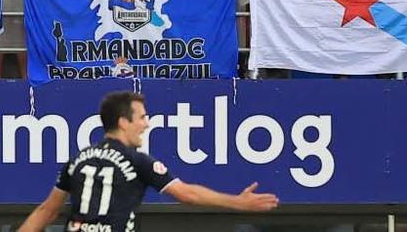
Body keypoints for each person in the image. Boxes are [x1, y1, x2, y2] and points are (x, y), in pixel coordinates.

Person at [16, 90, 279, 231]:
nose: (147, 123)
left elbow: (46, 212)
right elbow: (186, 194)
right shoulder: (137, 161)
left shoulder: (78, 160)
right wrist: (238, 202)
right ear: (123, 122)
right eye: (141, 117)